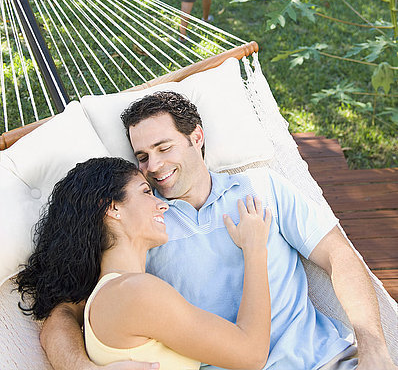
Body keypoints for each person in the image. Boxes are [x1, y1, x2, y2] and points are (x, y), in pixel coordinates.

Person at [40, 92, 397, 370]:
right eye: (143, 156)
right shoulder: (147, 227)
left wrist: (374, 346)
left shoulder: (262, 187)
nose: (154, 166)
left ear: (196, 136)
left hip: (325, 359)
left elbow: (338, 254)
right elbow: (63, 314)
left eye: (164, 148)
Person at [17, 157, 272, 370]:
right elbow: (252, 354)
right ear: (112, 208)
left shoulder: (106, 294)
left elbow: (54, 324)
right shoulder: (136, 293)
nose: (162, 205)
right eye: (146, 192)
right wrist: (255, 248)